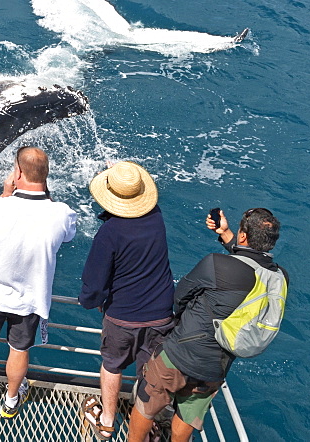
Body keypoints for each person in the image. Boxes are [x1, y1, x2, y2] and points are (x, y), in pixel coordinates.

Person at [127, 208, 288, 442]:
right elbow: (251, 264)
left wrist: (182, 318)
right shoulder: (279, 278)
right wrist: (226, 234)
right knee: (188, 417)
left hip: (180, 353)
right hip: (215, 367)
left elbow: (180, 296)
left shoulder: (216, 264)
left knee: (147, 403)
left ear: (243, 237)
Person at [0, 146, 77, 419]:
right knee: (19, 351)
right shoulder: (61, 213)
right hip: (30, 301)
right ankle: (11, 401)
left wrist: (4, 195)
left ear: (18, 173)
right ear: (46, 176)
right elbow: (68, 236)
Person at [78, 161, 175, 441]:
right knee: (149, 372)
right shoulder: (156, 217)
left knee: (112, 364)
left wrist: (90, 301)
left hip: (122, 316)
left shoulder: (110, 233)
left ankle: (107, 422)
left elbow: (94, 284)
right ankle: (146, 426)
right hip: (160, 314)